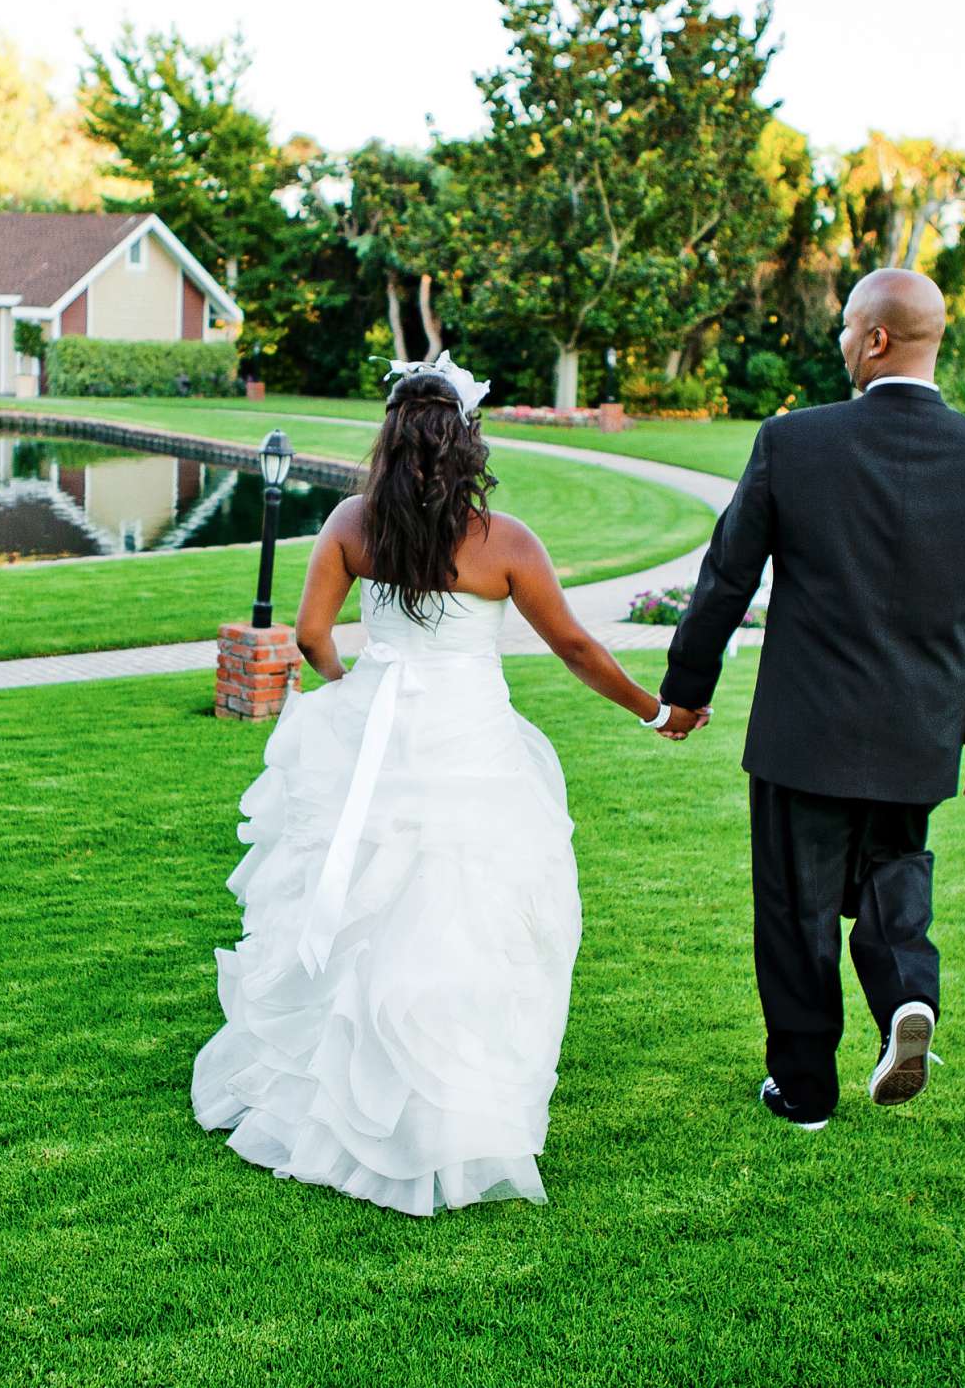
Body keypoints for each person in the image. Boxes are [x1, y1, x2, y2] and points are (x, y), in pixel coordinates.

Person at [192, 352, 695, 1216]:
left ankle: (331, 1097)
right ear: (468, 443)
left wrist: (357, 685)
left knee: (358, 903)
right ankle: (451, 1107)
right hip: (473, 742)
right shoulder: (504, 542)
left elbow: (312, 634)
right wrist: (654, 712)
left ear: (390, 436)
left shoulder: (354, 523)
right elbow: (575, 647)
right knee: (466, 918)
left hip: (375, 734)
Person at [658, 269, 965, 1131]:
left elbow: (726, 577)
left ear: (875, 340)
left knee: (797, 909)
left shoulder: (795, 443)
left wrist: (685, 690)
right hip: (920, 735)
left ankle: (805, 1091)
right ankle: (908, 996)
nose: (839, 342)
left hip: (806, 732)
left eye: (844, 327)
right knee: (894, 876)